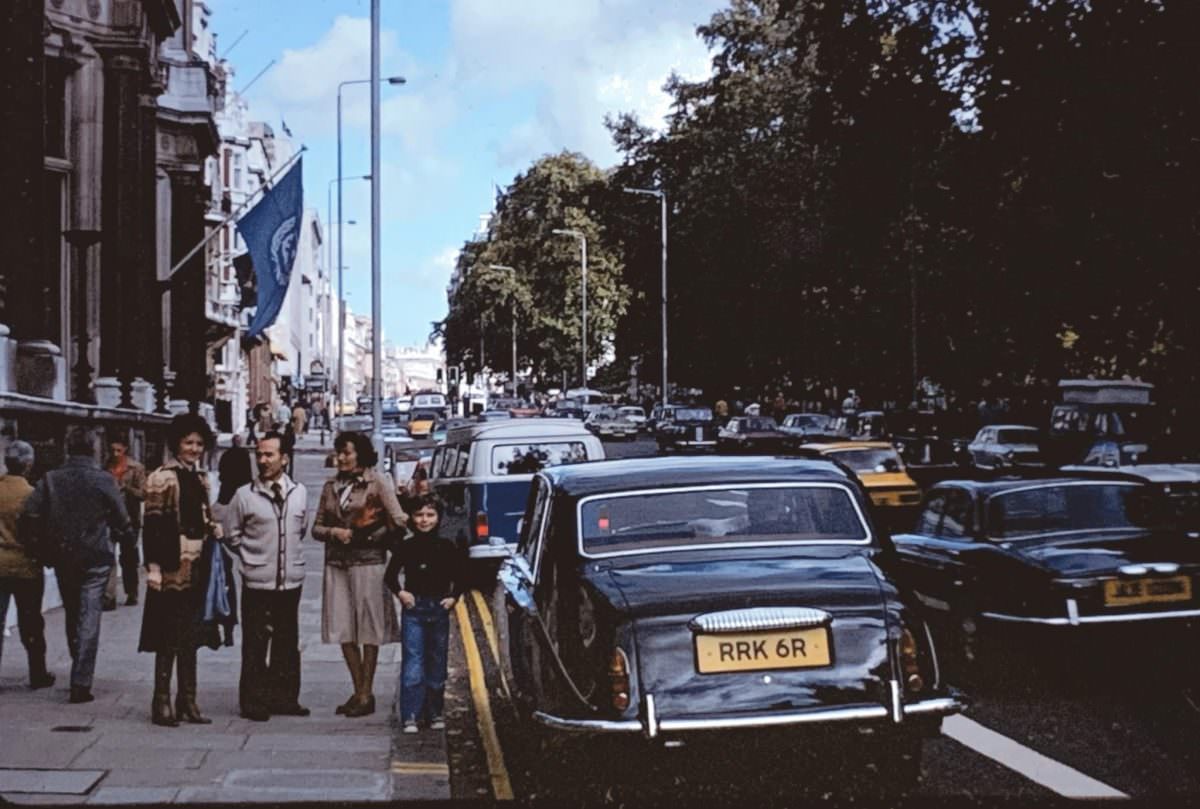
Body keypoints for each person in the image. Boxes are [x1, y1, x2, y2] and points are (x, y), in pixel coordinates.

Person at [22, 428, 133, 704]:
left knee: (74, 611)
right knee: (89, 616)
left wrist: (40, 546)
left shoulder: (51, 479)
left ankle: (77, 661)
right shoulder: (104, 479)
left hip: (63, 556)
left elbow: (30, 514)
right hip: (96, 555)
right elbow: (122, 518)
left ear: (68, 448)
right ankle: (81, 680)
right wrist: (127, 539)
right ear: (94, 449)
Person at [138, 414, 226, 727]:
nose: (194, 448)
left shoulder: (199, 478)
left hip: (197, 565)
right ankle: (161, 701)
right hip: (172, 567)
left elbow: (200, 515)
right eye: (188, 443)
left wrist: (212, 526)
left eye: (199, 443)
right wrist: (154, 568)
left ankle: (187, 699)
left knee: (191, 634)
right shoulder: (161, 478)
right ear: (177, 443)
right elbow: (153, 526)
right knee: (168, 636)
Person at [312, 432, 406, 718]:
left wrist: (369, 536)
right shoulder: (330, 486)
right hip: (337, 564)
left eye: (346, 453)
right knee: (343, 630)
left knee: (369, 630)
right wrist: (333, 532)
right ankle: (359, 691)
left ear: (360, 455)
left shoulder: (378, 482)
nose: (340, 458)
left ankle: (366, 693)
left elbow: (399, 520)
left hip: (369, 564)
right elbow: (316, 528)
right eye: (338, 453)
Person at [225, 432, 309, 721]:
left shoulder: (299, 492)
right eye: (259, 455)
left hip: (290, 581)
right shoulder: (244, 495)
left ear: (284, 459)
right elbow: (231, 535)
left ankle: (285, 698)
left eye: (269, 455)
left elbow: (301, 529)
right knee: (255, 643)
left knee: (287, 642)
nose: (262, 460)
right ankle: (254, 701)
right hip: (257, 582)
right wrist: (251, 558)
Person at [384, 494, 464, 734]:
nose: (424, 520)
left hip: (439, 609)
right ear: (411, 517)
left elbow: (460, 574)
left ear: (438, 518)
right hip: (414, 610)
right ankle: (410, 714)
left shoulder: (447, 546)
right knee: (413, 663)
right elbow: (390, 575)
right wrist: (401, 593)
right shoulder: (406, 547)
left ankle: (434, 712)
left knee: (437, 663)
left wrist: (454, 597)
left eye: (430, 515)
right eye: (419, 515)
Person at [0, 441, 54, 689]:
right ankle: (38, 672)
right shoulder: (33, 494)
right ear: (28, 464)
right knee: (31, 620)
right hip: (26, 565)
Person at [103, 436, 146, 610]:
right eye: (112, 450)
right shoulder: (105, 468)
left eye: (118, 450)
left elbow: (143, 494)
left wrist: (126, 488)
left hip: (130, 519)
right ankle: (109, 596)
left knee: (128, 558)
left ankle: (132, 592)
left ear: (125, 449)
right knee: (108, 557)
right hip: (109, 518)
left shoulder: (136, 468)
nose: (115, 454)